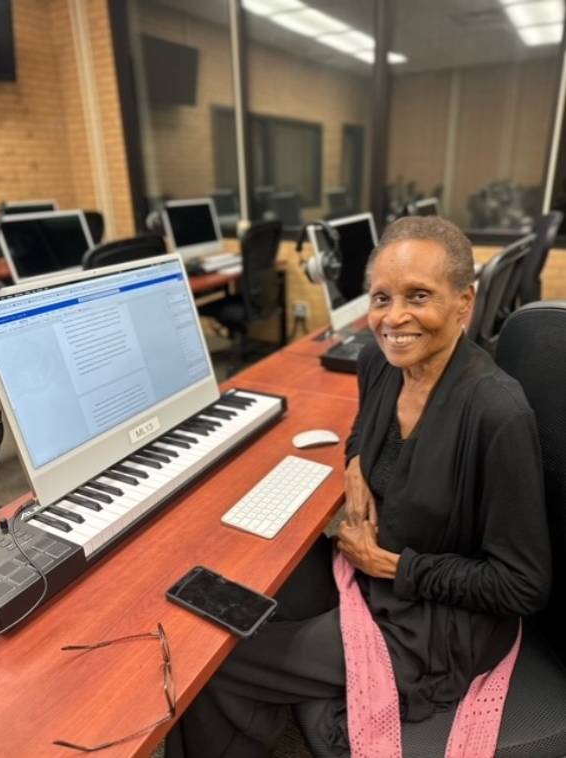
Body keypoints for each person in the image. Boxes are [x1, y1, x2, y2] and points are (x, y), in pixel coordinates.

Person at [166, 216, 551, 757]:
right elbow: (361, 430)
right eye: (380, 298)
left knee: (213, 666)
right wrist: (354, 462)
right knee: (235, 611)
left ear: (465, 301)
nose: (394, 318)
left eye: (419, 296)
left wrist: (394, 566)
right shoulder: (379, 361)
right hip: (369, 573)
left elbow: (523, 585)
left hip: (433, 619)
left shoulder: (495, 412)